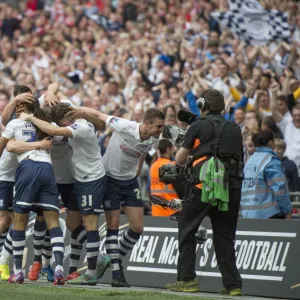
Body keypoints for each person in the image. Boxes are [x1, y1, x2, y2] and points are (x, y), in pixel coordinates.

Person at [68, 107, 165, 287]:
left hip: (129, 183)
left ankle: (113, 259)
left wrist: (138, 167)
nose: (161, 130)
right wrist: (77, 110)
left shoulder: (152, 139)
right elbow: (99, 115)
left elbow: (142, 151)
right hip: (110, 179)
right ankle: (116, 272)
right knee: (113, 226)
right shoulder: (125, 126)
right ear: (147, 124)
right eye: (159, 126)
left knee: (137, 227)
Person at [19, 102, 110, 285]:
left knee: (90, 224)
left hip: (91, 179)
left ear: (67, 119)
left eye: (61, 122)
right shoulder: (80, 121)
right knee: (71, 223)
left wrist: (29, 117)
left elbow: (56, 132)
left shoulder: (80, 126)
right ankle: (98, 257)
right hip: (80, 179)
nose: (60, 125)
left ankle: (92, 271)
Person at [167, 89, 244, 296]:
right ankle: (233, 285)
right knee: (225, 236)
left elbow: (180, 159)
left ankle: (187, 280)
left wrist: (188, 152)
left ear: (202, 105)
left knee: (187, 228)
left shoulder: (197, 126)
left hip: (203, 186)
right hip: (231, 188)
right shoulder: (235, 128)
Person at [0, 95, 65, 285]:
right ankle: (59, 267)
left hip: (27, 169)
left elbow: (7, 146)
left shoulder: (14, 124)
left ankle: (18, 271)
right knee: (52, 221)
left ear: (20, 106)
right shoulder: (46, 122)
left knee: (19, 221)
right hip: (47, 169)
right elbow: (55, 132)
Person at [241, 130, 292, 219]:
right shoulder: (271, 160)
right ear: (271, 142)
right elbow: (279, 189)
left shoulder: (249, 162)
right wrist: (287, 210)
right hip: (270, 216)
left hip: (248, 215)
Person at [150, 139, 179, 216]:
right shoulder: (170, 166)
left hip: (156, 210)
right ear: (167, 149)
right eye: (172, 148)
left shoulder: (153, 166)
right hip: (171, 210)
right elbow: (180, 189)